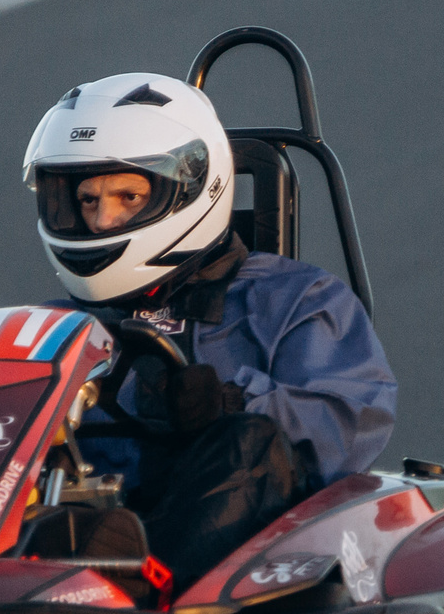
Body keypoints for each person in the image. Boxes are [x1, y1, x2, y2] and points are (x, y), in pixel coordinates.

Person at [22, 71, 396, 580]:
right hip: (68, 531)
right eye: (89, 200)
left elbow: (349, 419)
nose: (103, 221)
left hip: (223, 558)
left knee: (248, 442)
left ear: (192, 186)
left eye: (127, 196)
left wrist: (230, 404)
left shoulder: (295, 298)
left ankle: (144, 590)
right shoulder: (53, 326)